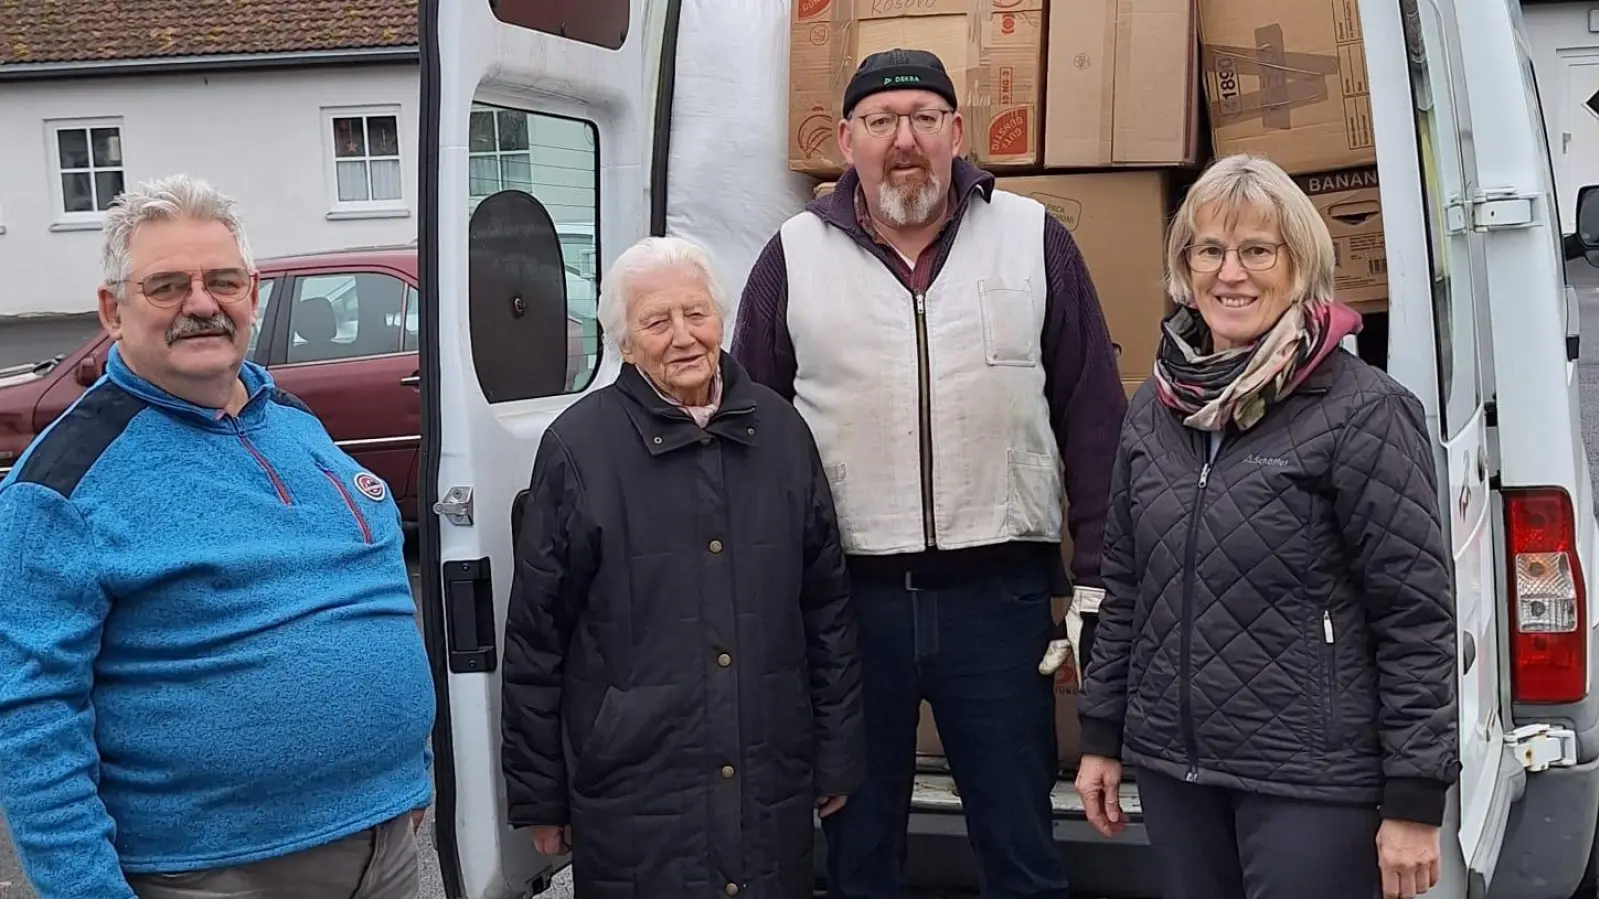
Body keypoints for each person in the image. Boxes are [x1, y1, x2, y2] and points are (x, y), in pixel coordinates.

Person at [732, 46, 1126, 899]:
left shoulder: (1033, 239)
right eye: (880, 121)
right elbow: (749, 442)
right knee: (860, 851)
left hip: (1000, 601)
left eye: (921, 118)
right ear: (846, 139)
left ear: (956, 131)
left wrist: (1097, 582)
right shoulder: (791, 257)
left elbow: (1095, 421)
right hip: (847, 607)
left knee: (1020, 845)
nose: (902, 139)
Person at [0, 174, 435, 899]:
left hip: (385, 845)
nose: (202, 304)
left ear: (253, 294)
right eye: (167, 285)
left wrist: (405, 770)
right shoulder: (62, 485)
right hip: (216, 873)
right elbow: (32, 717)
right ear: (113, 310)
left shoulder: (296, 424)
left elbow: (370, 597)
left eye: (222, 281)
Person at [1074, 153, 1460, 899]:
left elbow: (1416, 617)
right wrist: (1102, 735)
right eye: (1210, 250)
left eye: (1257, 250)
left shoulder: (1363, 411)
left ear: (1299, 263)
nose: (1231, 273)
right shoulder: (1154, 411)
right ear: (1184, 267)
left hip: (1309, 780)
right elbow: (1124, 590)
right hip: (1175, 771)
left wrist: (1415, 797)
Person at [500, 235, 865, 899]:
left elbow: (827, 609)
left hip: (768, 778)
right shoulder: (578, 449)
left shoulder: (782, 434)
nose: (683, 337)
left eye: (696, 314)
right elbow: (536, 636)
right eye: (657, 321)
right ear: (624, 340)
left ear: (721, 318)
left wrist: (836, 753)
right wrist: (539, 794)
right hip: (634, 788)